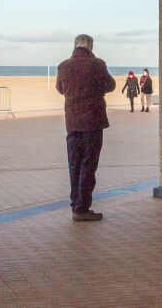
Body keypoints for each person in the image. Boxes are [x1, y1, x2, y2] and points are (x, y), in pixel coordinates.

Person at [56, 34, 116, 221]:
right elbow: (110, 85)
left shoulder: (64, 65)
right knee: (89, 164)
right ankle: (82, 208)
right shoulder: (97, 64)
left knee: (74, 163)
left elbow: (60, 88)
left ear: (74, 46)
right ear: (90, 47)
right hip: (92, 121)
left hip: (72, 122)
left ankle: (76, 203)